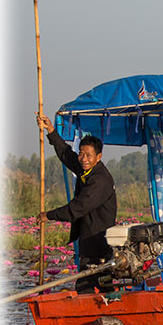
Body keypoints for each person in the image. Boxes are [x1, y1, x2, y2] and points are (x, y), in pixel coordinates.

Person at [35, 113, 117, 293]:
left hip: (99, 245)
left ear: (99, 157)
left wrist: (49, 215)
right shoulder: (86, 170)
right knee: (92, 288)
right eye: (81, 153)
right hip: (89, 243)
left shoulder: (99, 180)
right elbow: (66, 154)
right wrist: (50, 130)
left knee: (90, 288)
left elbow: (78, 207)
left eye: (88, 155)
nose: (83, 158)